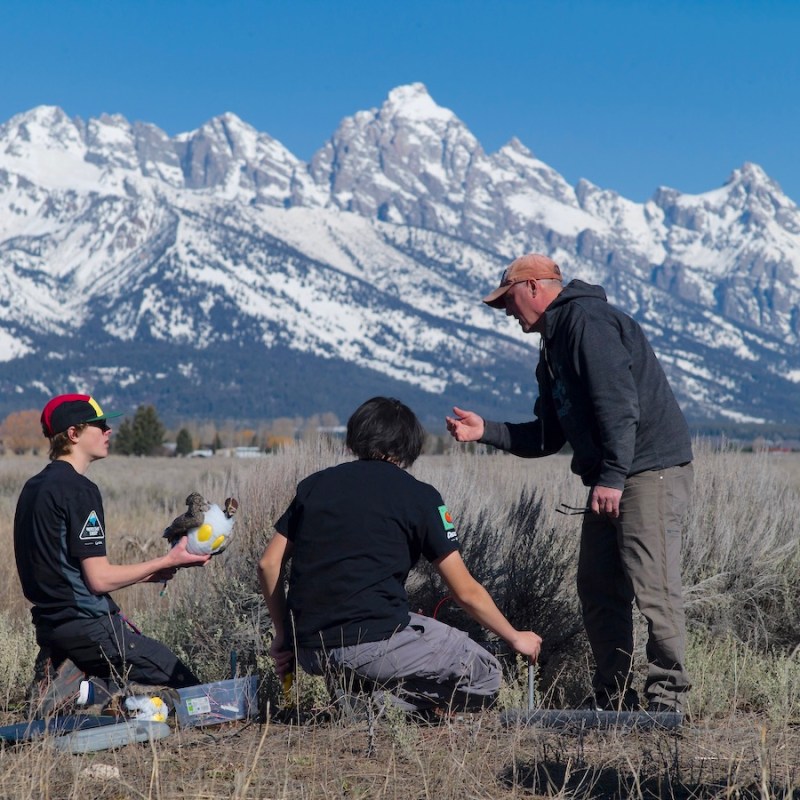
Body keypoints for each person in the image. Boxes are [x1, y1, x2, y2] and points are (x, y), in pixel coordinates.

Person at [446, 254, 694, 714]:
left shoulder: (586, 322)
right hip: (615, 476)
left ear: (536, 287)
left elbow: (619, 407)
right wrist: (486, 432)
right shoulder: (553, 345)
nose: (506, 311)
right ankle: (614, 697)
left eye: (509, 299)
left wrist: (614, 477)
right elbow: (547, 436)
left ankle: (667, 699)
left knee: (653, 585)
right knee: (598, 585)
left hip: (646, 471)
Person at [259, 396, 542, 715]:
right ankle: (382, 706)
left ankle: (361, 693)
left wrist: (284, 634)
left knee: (403, 627)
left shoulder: (314, 487)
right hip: (374, 643)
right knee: (486, 675)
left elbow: (268, 563)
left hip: (310, 650)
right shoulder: (420, 497)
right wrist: (515, 637)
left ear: (355, 438)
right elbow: (465, 592)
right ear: (408, 446)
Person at [14, 393, 211, 716]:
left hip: (52, 625)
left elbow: (64, 569)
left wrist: (151, 574)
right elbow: (98, 579)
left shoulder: (34, 487)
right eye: (99, 425)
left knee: (110, 681)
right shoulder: (80, 490)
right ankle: (72, 691)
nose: (108, 431)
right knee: (182, 679)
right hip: (87, 625)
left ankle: (68, 690)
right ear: (73, 434)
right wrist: (169, 560)